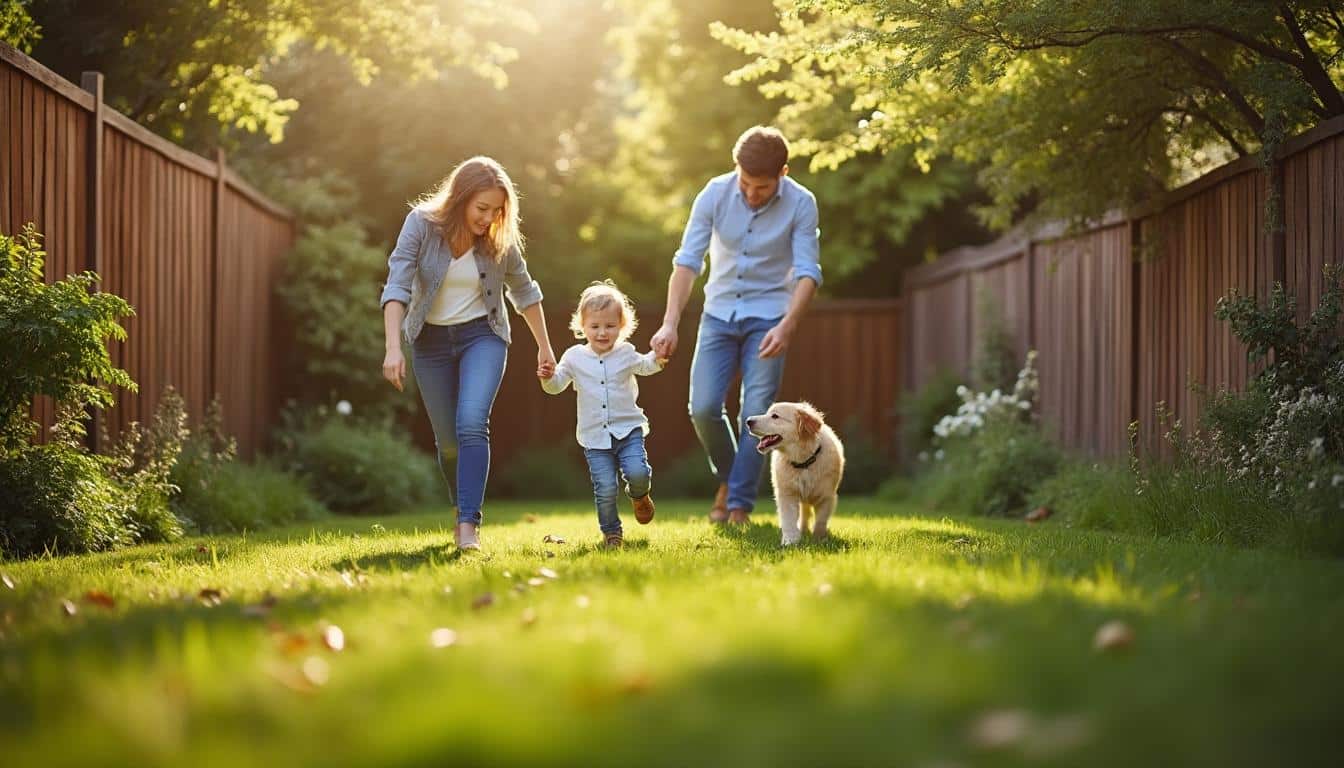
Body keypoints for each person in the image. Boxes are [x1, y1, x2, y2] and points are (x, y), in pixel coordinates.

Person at [380, 156, 557, 551]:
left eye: (497, 210)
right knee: (448, 442)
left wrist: (545, 347)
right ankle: (460, 505)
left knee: (472, 422)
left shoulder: (498, 238)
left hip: (483, 336)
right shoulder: (421, 224)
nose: (489, 218)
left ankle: (468, 524)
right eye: (482, 208)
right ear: (460, 198)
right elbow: (397, 285)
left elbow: (524, 290)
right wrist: (393, 348)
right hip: (430, 343)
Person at [650, 126, 821, 525]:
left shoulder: (801, 203)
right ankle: (731, 481)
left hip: (770, 317)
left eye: (762, 187)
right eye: (745, 183)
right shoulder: (714, 193)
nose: (751, 194)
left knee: (757, 411)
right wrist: (670, 323)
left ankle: (738, 506)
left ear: (783, 173)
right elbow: (687, 261)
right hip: (718, 314)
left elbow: (808, 272)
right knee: (703, 407)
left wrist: (787, 326)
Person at [541, 281, 666, 548]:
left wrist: (658, 357)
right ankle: (612, 532)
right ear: (582, 325)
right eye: (595, 326)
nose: (602, 332)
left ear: (621, 325)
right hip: (594, 437)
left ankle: (639, 494)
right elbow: (556, 385)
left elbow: (646, 365)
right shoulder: (573, 357)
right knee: (606, 488)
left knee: (638, 472)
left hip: (628, 429)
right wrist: (548, 376)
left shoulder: (626, 352)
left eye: (610, 326)